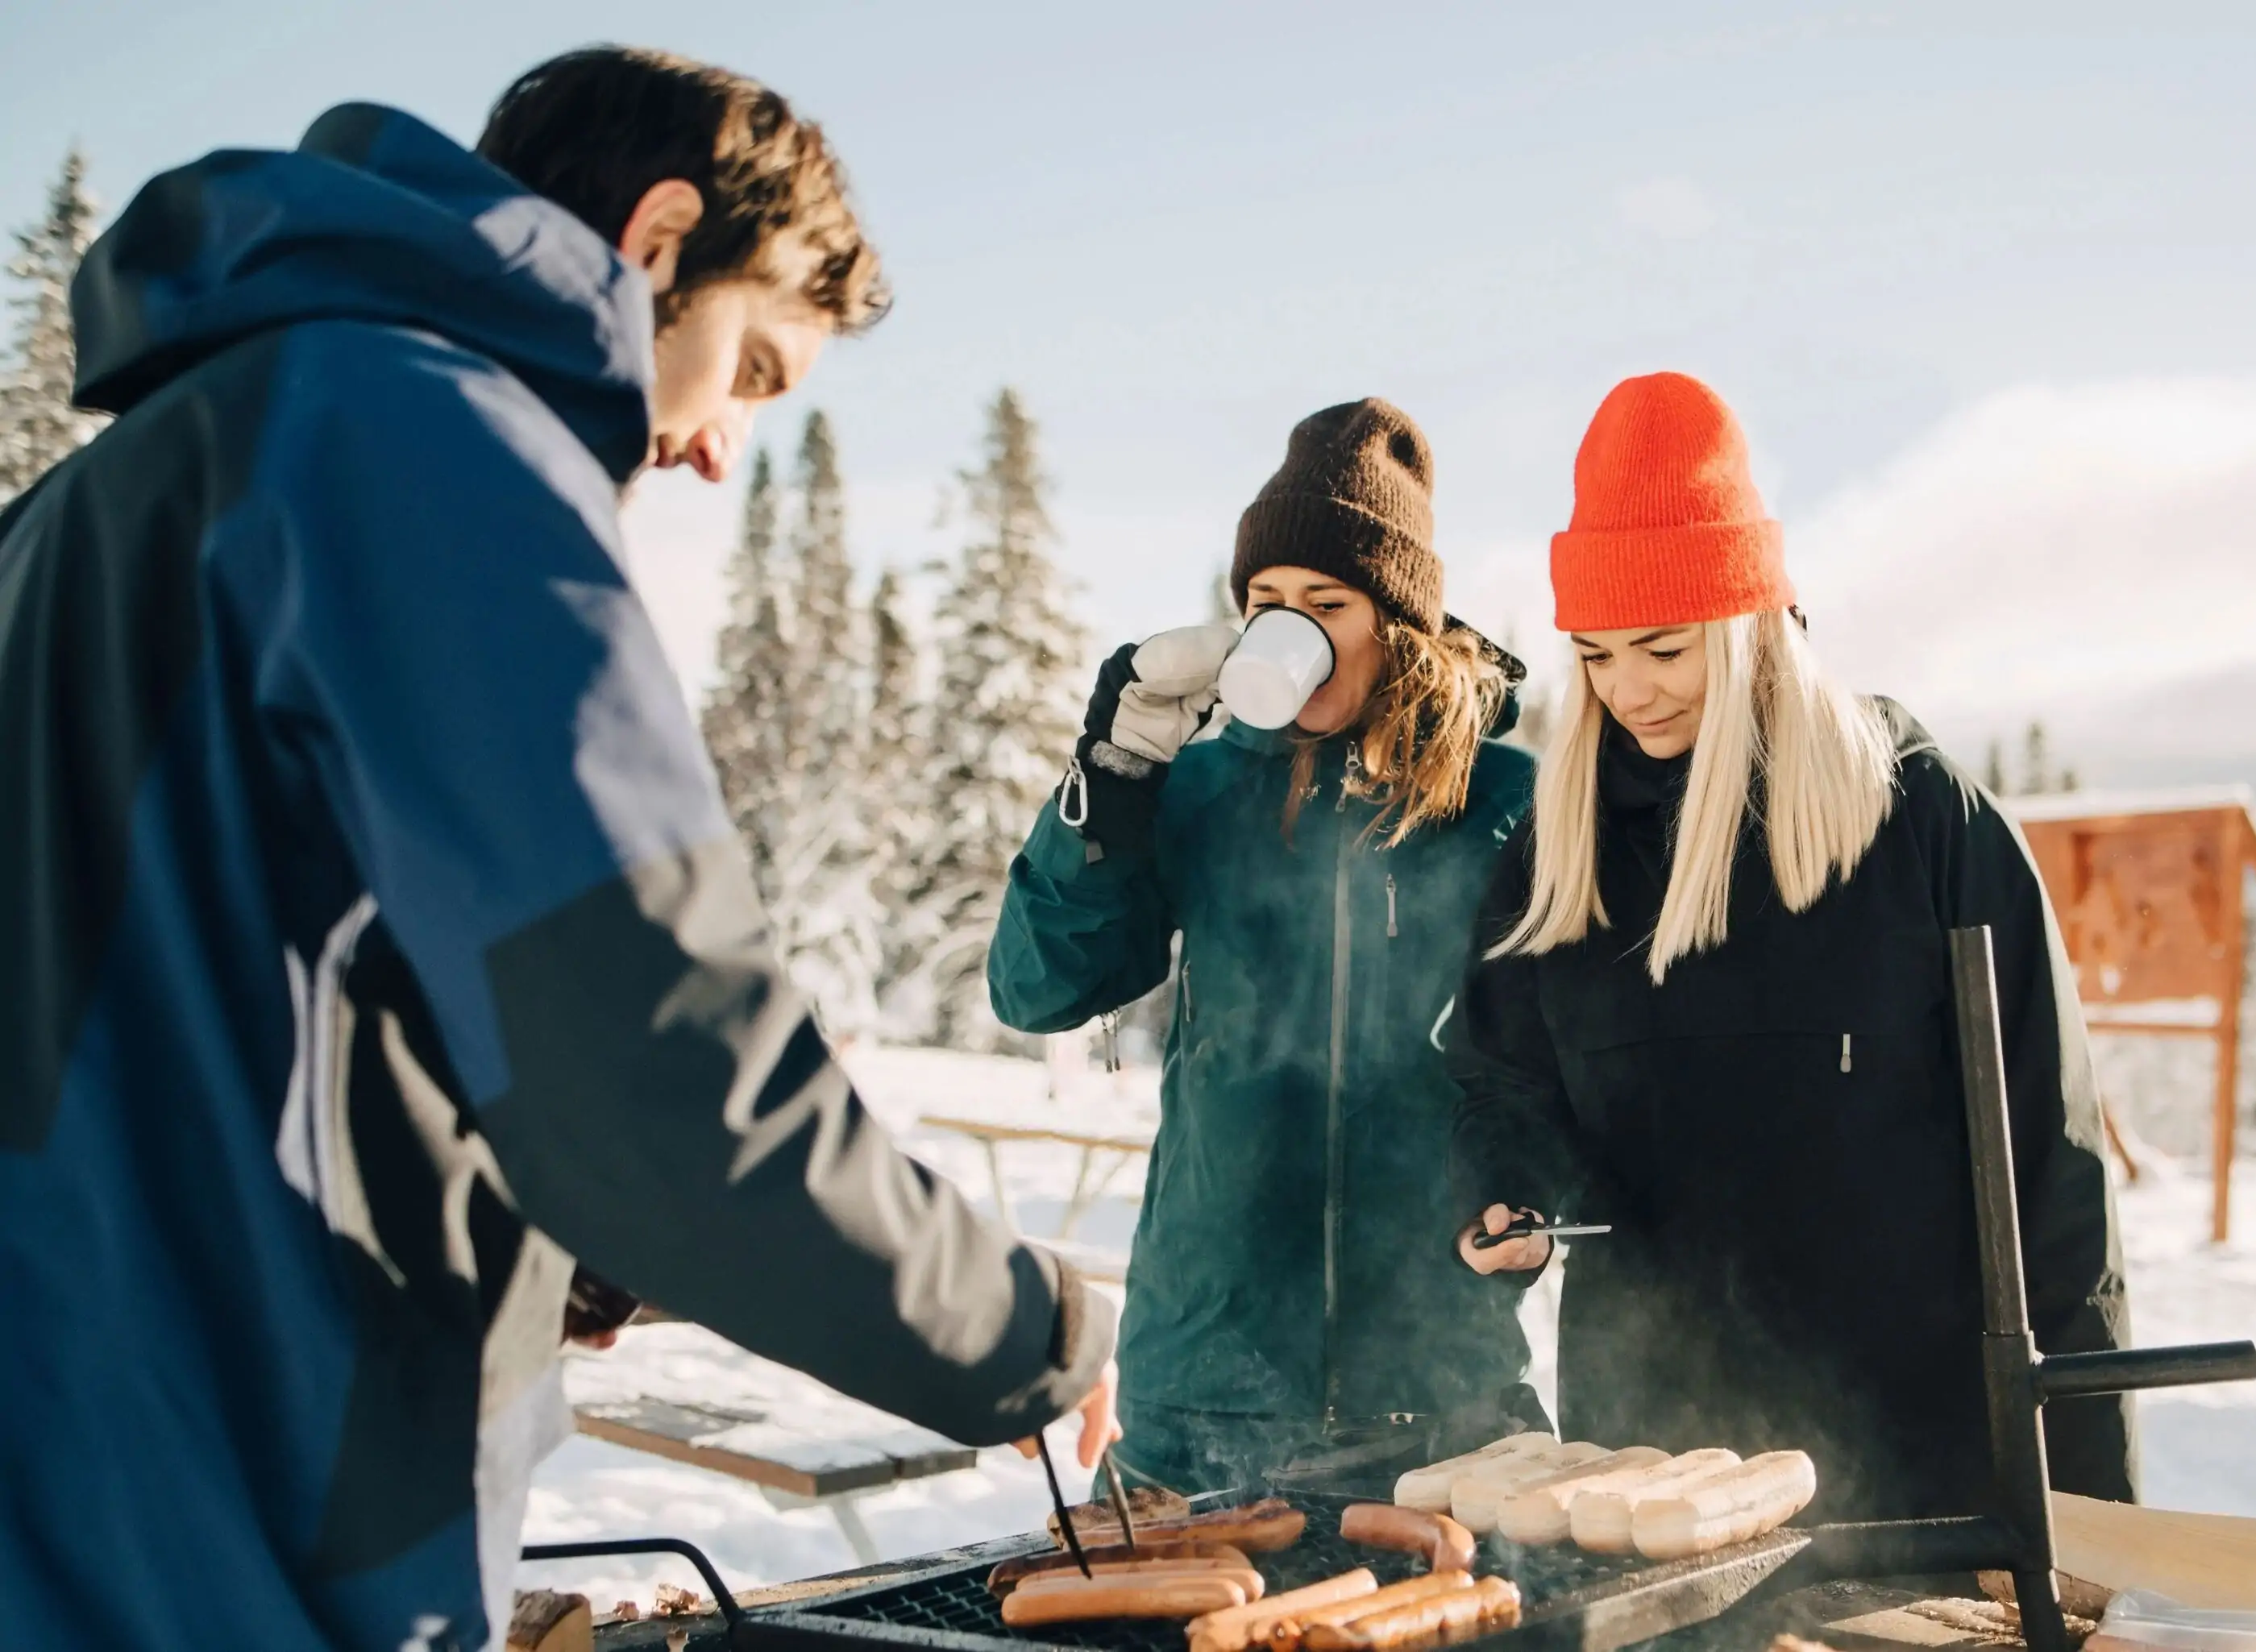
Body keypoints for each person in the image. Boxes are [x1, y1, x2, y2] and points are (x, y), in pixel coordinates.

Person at [0, 48, 1111, 1652]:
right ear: (658, 239)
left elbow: (234, 999)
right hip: (222, 1519)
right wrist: (1031, 1329)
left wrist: (547, 1218)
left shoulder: (131, 481)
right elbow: (665, 1058)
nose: (728, 446)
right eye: (753, 371)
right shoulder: (429, 447)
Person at [1448, 371, 2135, 1523]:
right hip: (1653, 1494)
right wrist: (1506, 1192)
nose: (1628, 692)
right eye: (1598, 655)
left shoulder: (1918, 822)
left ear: (1746, 621)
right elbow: (1499, 1085)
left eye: (1662, 648)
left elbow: (2054, 1180)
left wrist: (2098, 1518)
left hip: (1920, 1484)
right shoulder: (1559, 858)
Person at [990, 399, 1544, 1495]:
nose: (1286, 628)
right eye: (1263, 602)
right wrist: (1111, 771)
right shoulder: (1198, 782)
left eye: (1324, 603)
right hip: (1204, 1382)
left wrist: (1529, 1186)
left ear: (1396, 621)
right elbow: (1037, 986)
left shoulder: (1505, 803)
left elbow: (1559, 1056)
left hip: (1441, 1389)